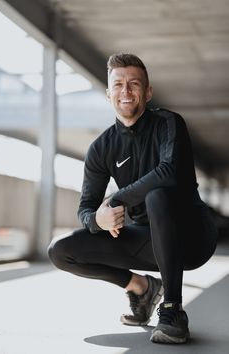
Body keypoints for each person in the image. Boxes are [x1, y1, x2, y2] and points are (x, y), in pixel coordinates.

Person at [48, 53, 218, 344]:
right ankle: (141, 288)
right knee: (60, 250)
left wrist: (117, 200)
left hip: (192, 237)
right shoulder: (101, 148)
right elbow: (86, 209)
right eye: (118, 84)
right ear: (109, 93)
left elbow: (168, 174)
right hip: (145, 239)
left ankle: (172, 310)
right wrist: (97, 220)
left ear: (147, 91)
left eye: (134, 83)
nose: (125, 91)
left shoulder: (169, 123)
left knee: (157, 197)